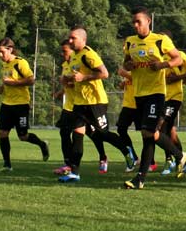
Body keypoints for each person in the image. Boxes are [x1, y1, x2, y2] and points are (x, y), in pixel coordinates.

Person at [123, 7, 186, 189]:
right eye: (133, 22)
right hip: (139, 94)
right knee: (149, 136)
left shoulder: (160, 40)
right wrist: (129, 65)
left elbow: (178, 60)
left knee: (148, 133)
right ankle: (178, 155)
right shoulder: (130, 42)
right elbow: (126, 64)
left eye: (139, 22)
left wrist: (161, 65)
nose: (135, 25)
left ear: (148, 21)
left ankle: (140, 178)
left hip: (156, 93)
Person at [59, 26, 135, 183]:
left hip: (95, 102)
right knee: (77, 135)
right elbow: (77, 77)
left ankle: (128, 152)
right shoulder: (74, 56)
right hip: (80, 103)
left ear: (83, 39)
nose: (70, 40)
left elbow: (104, 73)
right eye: (70, 38)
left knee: (103, 134)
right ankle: (75, 172)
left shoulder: (88, 54)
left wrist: (83, 77)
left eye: (73, 38)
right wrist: (68, 79)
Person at [53, 39, 112, 175]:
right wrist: (61, 91)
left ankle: (104, 157)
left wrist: (75, 80)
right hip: (70, 105)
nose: (63, 54)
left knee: (95, 133)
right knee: (65, 133)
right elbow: (70, 84)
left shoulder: (82, 60)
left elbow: (83, 80)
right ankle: (69, 164)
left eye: (65, 51)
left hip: (85, 103)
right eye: (62, 51)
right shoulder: (65, 65)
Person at [0, 38, 49, 172]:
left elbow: (31, 80)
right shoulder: (5, 65)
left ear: (10, 49)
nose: (0, 55)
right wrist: (3, 87)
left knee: (23, 136)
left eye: (2, 52)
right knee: (3, 133)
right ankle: (7, 165)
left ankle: (42, 144)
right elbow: (8, 80)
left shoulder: (20, 63)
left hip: (21, 105)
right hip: (6, 104)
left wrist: (13, 83)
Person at [160, 30, 186, 176]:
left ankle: (170, 160)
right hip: (159, 97)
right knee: (170, 131)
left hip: (174, 97)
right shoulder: (157, 56)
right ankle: (183, 160)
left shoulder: (180, 56)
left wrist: (179, 77)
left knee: (162, 128)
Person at [115, 67, 141, 172]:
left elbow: (140, 80)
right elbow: (127, 84)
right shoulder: (129, 71)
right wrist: (122, 85)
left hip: (139, 105)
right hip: (127, 105)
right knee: (121, 129)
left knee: (147, 133)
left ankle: (151, 161)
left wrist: (125, 74)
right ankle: (134, 157)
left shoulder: (141, 69)